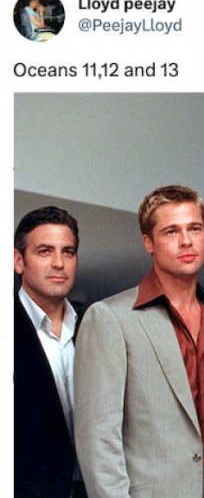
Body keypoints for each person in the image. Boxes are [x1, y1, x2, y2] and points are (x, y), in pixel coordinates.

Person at [74, 185, 204, 498]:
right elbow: (98, 438)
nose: (186, 240)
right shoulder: (110, 318)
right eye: (171, 231)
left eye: (195, 228)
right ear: (148, 242)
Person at [14, 205, 87, 497]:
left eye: (68, 252)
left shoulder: (94, 328)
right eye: (44, 251)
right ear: (18, 260)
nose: (59, 263)